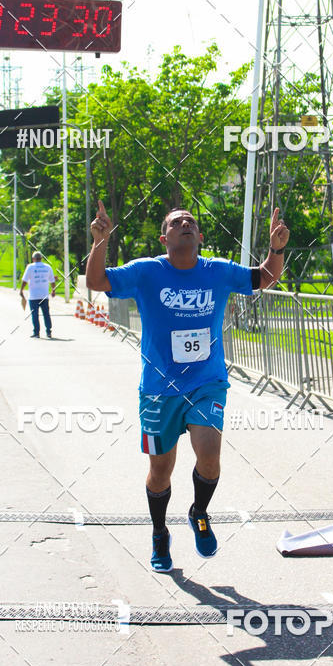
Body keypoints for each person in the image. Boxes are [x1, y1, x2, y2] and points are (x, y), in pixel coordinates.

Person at [86, 200, 290, 572]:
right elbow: (97, 282)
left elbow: (264, 278)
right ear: (164, 238)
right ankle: (159, 532)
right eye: (176, 222)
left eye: (191, 221)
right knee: (160, 471)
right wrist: (100, 242)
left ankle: (199, 511)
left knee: (209, 455)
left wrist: (276, 250)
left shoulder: (218, 271)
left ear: (199, 237)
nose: (185, 223)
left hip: (206, 383)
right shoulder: (146, 271)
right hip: (158, 389)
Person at [19, 252, 56, 338]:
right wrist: (53, 291)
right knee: (46, 314)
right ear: (41, 258)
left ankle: (36, 332)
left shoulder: (30, 267)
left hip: (33, 296)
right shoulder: (47, 267)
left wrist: (21, 290)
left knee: (34, 314)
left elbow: (25, 280)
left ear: (33, 259)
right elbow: (52, 281)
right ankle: (48, 331)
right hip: (44, 295)